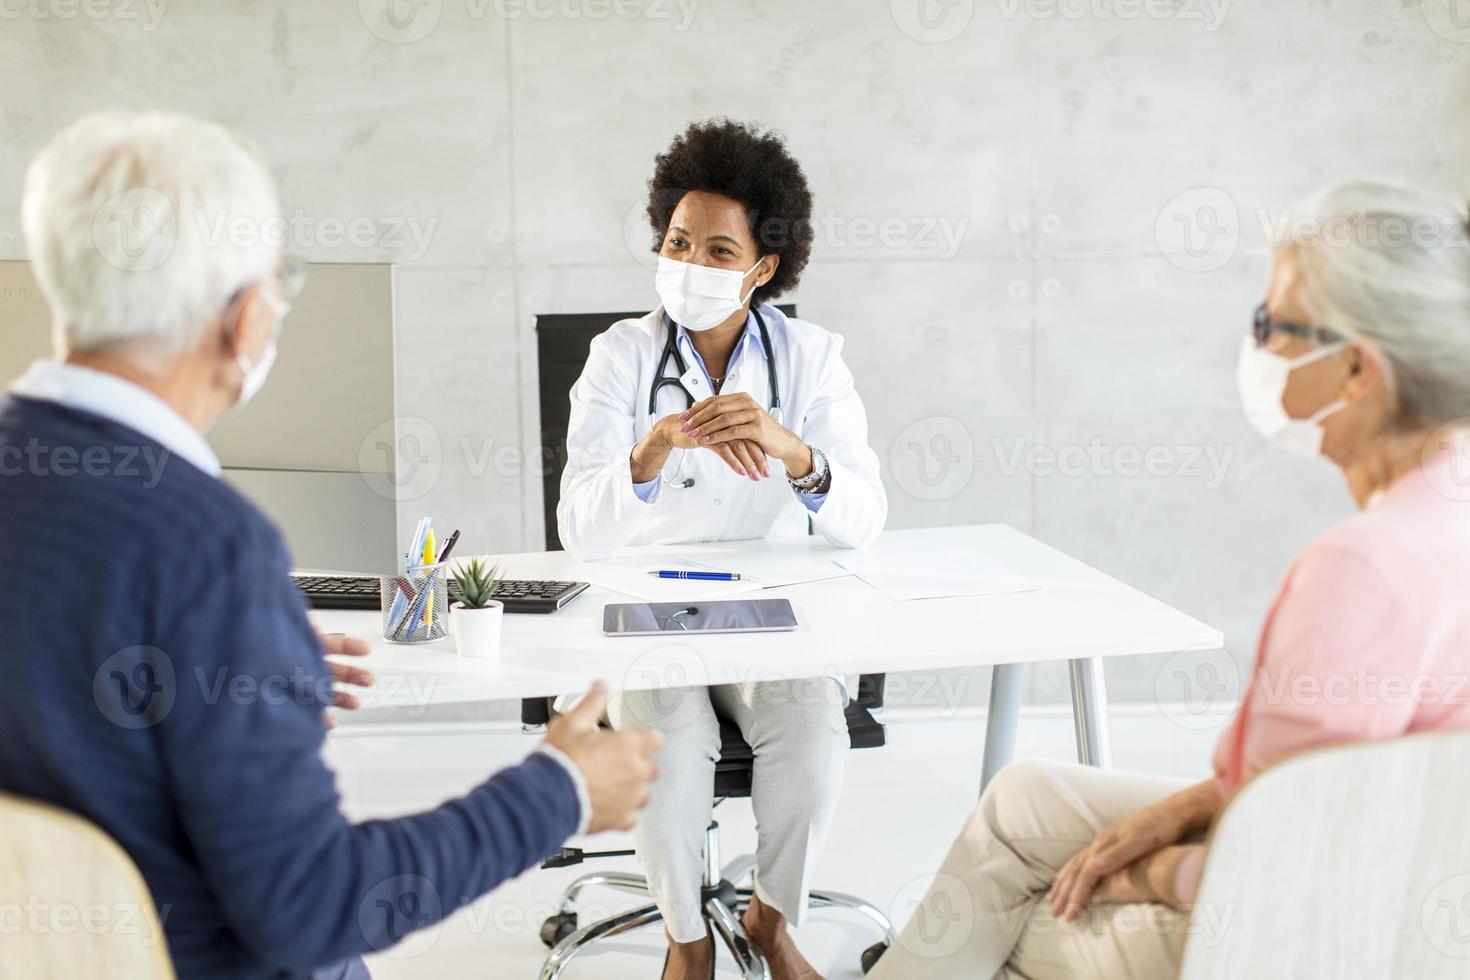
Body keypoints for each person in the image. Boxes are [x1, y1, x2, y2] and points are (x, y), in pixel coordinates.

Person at [0, 110, 661, 980]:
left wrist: (212, 658)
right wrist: (562, 791)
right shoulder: (206, 547)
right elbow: (312, 907)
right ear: (245, 320)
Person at [866, 178, 1470, 979]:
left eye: (1272, 324)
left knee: (1006, 928)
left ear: (1357, 369)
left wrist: (1150, 876)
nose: (1255, 346)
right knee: (1025, 797)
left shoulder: (1361, 570)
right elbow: (1325, 785)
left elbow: (1284, 876)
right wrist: (1190, 806)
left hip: (1322, 934)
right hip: (1413, 878)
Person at [557, 119, 888, 980]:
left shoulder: (814, 361)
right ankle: (686, 936)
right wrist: (651, 453)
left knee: (812, 730)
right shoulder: (619, 357)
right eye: (677, 242)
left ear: (762, 267)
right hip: (646, 607)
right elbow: (577, 532)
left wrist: (795, 453)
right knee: (664, 742)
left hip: (769, 610)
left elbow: (867, 517)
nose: (689, 265)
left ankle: (773, 920)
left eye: (716, 250)